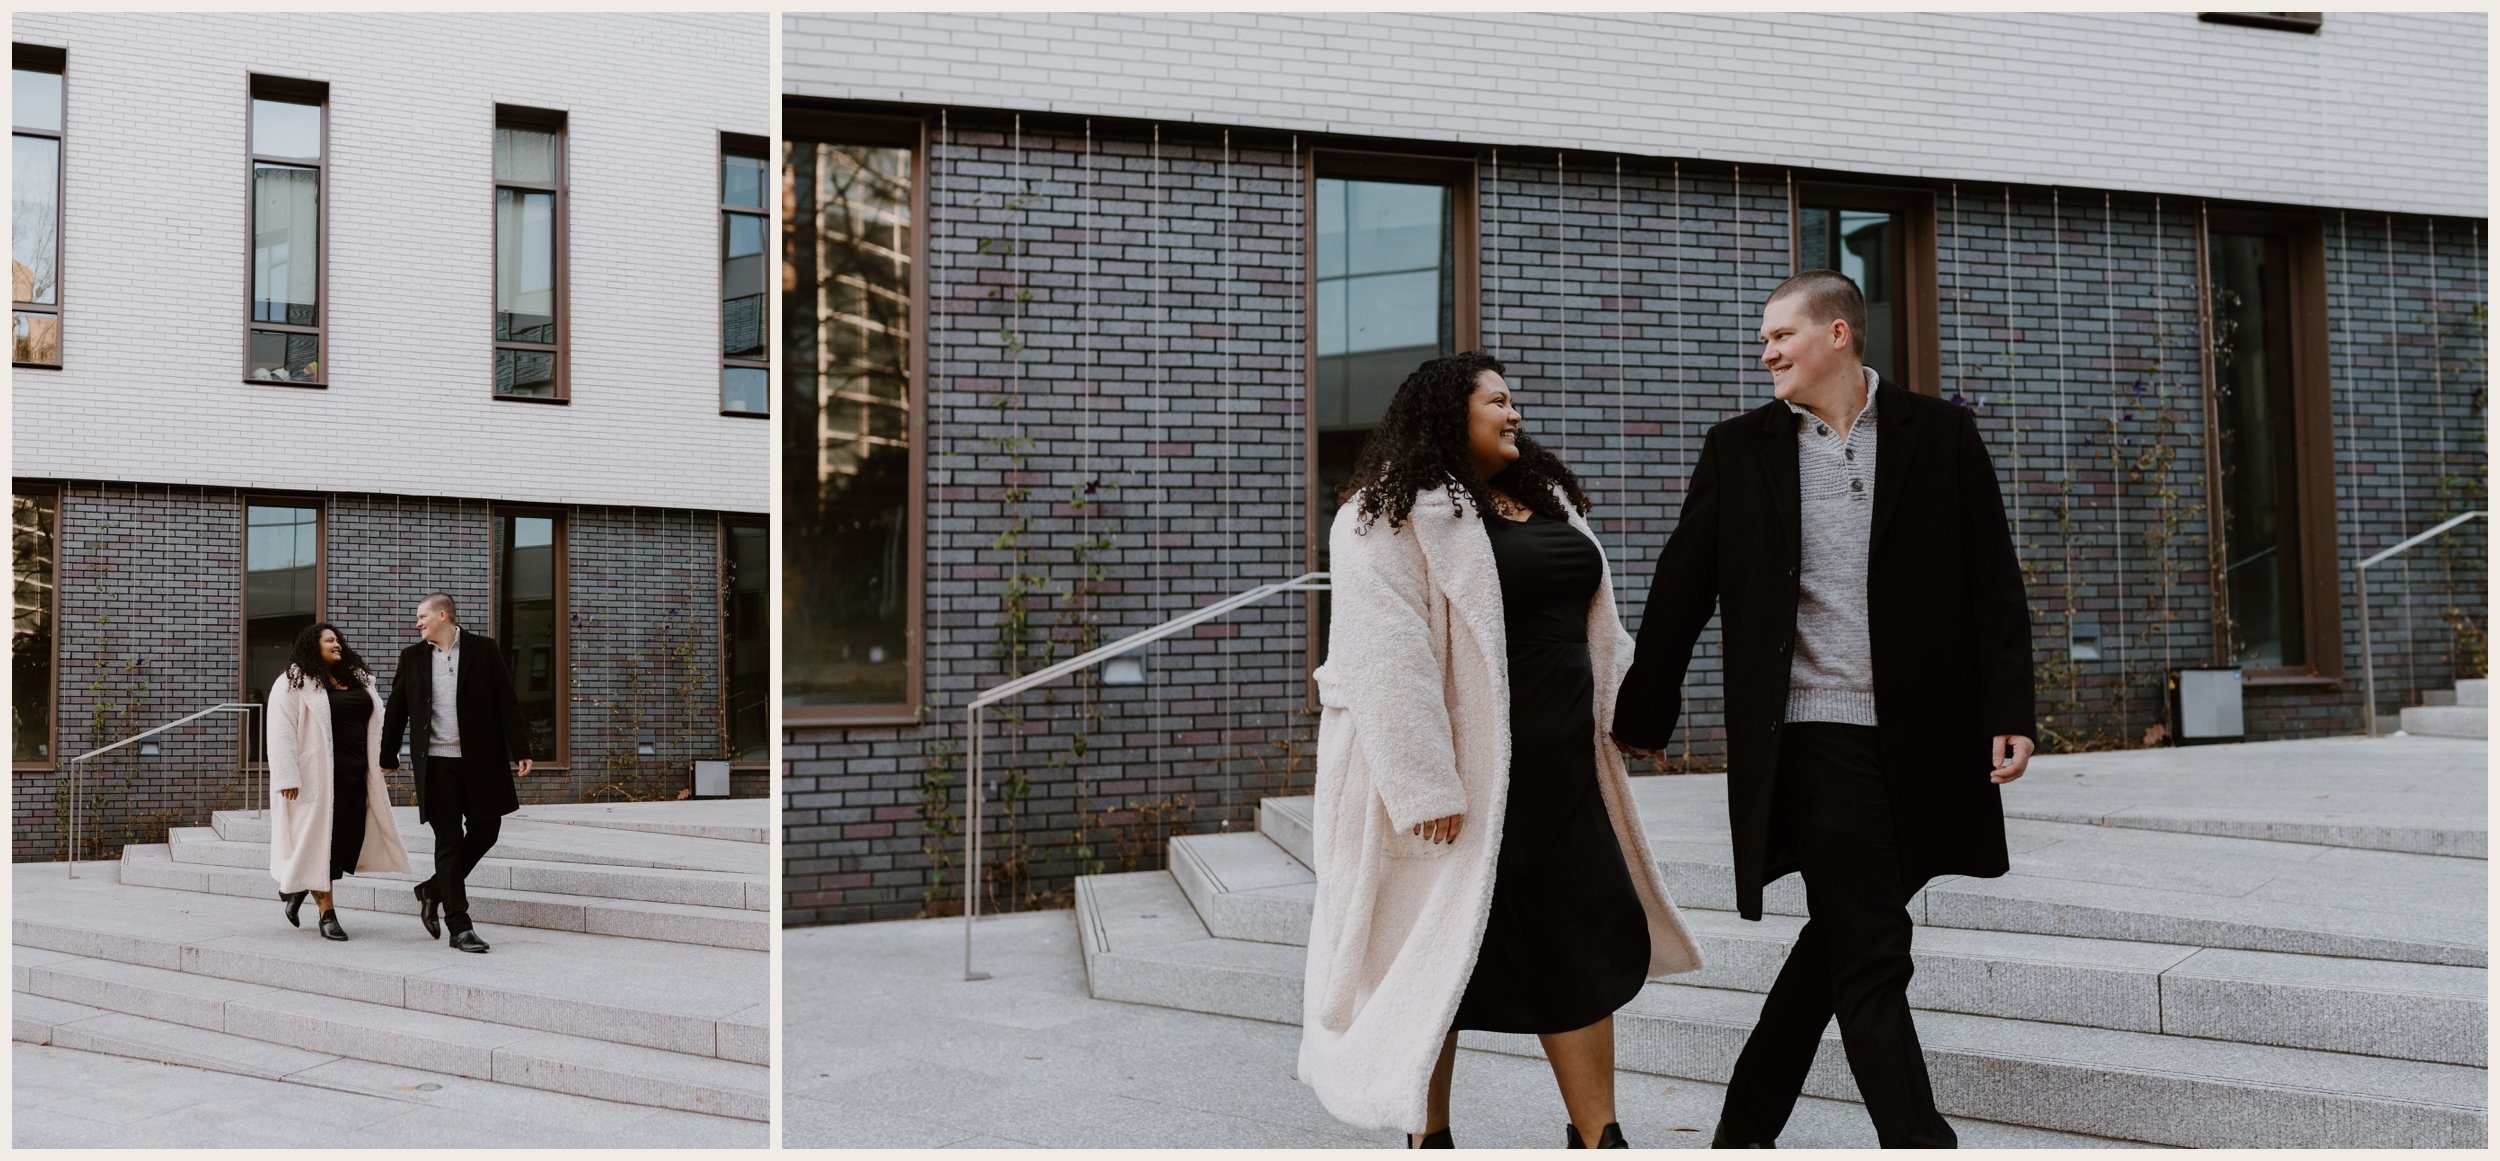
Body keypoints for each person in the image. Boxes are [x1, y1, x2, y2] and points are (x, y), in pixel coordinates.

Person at [1612, 269, 2036, 1148]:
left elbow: (1992, 582)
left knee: (1837, 946)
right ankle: (1919, 1140)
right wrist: (1640, 717)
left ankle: (1742, 1134)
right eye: (1764, 340)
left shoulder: (1941, 435)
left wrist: (2010, 708)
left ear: (1837, 334)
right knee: (1874, 950)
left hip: (1924, 740)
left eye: (1781, 336)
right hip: (1812, 733)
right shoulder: (1741, 449)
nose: (1765, 352)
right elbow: (1680, 591)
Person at [1298, 351, 1703, 1150]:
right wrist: (1425, 786)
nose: (1515, 414)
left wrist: (1631, 714)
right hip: (1465, 783)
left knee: (1580, 947)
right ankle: (1430, 1134)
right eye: (1500, 401)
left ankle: (1600, 1137)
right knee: (1433, 956)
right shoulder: (1384, 515)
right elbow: (1387, 658)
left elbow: (1598, 628)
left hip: (1564, 775)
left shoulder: (1546, 503)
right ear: (1452, 413)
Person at [380, 593, 532, 953]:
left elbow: (506, 701)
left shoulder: (484, 650)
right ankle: (459, 926)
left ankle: (432, 889)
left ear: (443, 615)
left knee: (486, 831)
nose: (417, 623)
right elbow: (397, 710)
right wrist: (388, 755)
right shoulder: (413, 658)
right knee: (447, 840)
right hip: (436, 764)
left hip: (481, 762)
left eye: (422, 617)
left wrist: (521, 748)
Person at [267, 622, 412, 941]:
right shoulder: (293, 682)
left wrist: (388, 757)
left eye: (337, 640)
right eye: (328, 640)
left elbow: (380, 720)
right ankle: (327, 913)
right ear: (312, 647)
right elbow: (280, 731)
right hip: (315, 776)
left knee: (347, 839)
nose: (336, 644)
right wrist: (287, 775)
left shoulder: (358, 680)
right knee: (323, 842)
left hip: (356, 772)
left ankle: (301, 887)